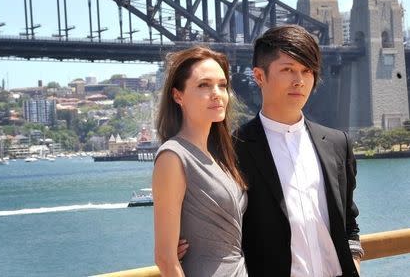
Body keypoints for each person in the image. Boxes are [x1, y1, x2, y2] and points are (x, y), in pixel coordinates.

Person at [234, 24, 364, 276]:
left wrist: (355, 262)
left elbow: (349, 220)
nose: (299, 81)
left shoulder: (338, 143)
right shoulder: (232, 149)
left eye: (307, 71)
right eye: (288, 69)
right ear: (259, 76)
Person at [153, 46, 248, 276]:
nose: (217, 93)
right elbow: (165, 259)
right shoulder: (173, 157)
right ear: (178, 95)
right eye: (204, 85)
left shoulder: (219, 157)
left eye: (222, 85)